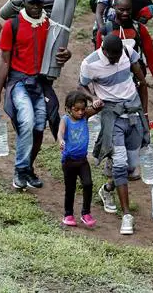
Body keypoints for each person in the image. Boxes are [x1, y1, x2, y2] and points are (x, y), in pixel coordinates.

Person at [0, 0, 72, 190]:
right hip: (18, 81)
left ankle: (28, 168)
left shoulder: (50, 24)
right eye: (31, 3)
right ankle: (20, 170)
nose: (36, 7)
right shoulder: (13, 25)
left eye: (39, 3)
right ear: (24, 3)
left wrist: (66, 55)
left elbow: (59, 51)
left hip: (41, 83)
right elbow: (4, 61)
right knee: (26, 121)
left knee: (39, 127)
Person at [81, 34, 150, 236]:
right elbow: (82, 84)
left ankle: (108, 189)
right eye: (112, 57)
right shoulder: (90, 63)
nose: (116, 60)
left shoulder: (127, 52)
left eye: (118, 56)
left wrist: (144, 113)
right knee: (120, 163)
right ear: (103, 50)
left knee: (130, 166)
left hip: (133, 113)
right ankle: (127, 215)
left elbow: (141, 81)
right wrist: (93, 97)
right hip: (113, 115)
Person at [95, 0, 153, 99]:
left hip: (135, 79)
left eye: (128, 10)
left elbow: (150, 54)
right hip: (112, 81)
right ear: (114, 8)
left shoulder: (139, 29)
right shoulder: (105, 30)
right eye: (121, 10)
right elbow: (98, 58)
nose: (125, 13)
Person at [58, 91, 97, 228]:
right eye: (76, 109)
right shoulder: (66, 120)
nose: (80, 112)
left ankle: (86, 213)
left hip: (82, 161)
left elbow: (98, 108)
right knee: (70, 188)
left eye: (83, 109)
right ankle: (68, 214)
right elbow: (60, 133)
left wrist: (96, 104)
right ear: (68, 109)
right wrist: (61, 140)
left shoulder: (85, 117)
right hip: (69, 161)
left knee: (88, 184)